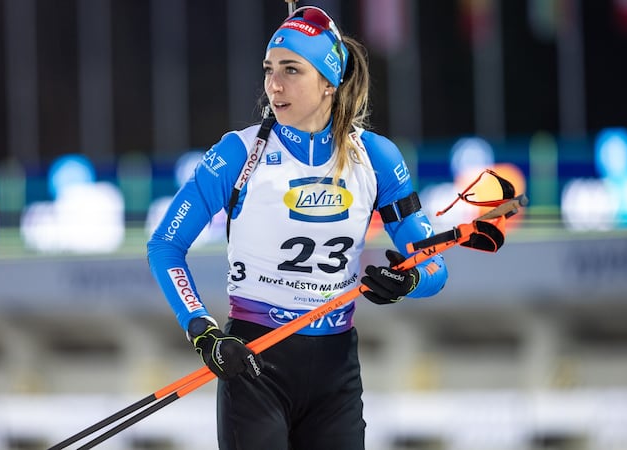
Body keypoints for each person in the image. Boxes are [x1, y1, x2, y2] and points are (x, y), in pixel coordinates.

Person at [147, 6, 448, 449]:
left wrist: (406, 280)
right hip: (253, 363)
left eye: (292, 69)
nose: (274, 84)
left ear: (329, 81)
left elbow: (434, 266)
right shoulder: (237, 154)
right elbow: (165, 245)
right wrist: (203, 330)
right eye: (269, 69)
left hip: (335, 371)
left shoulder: (376, 159)